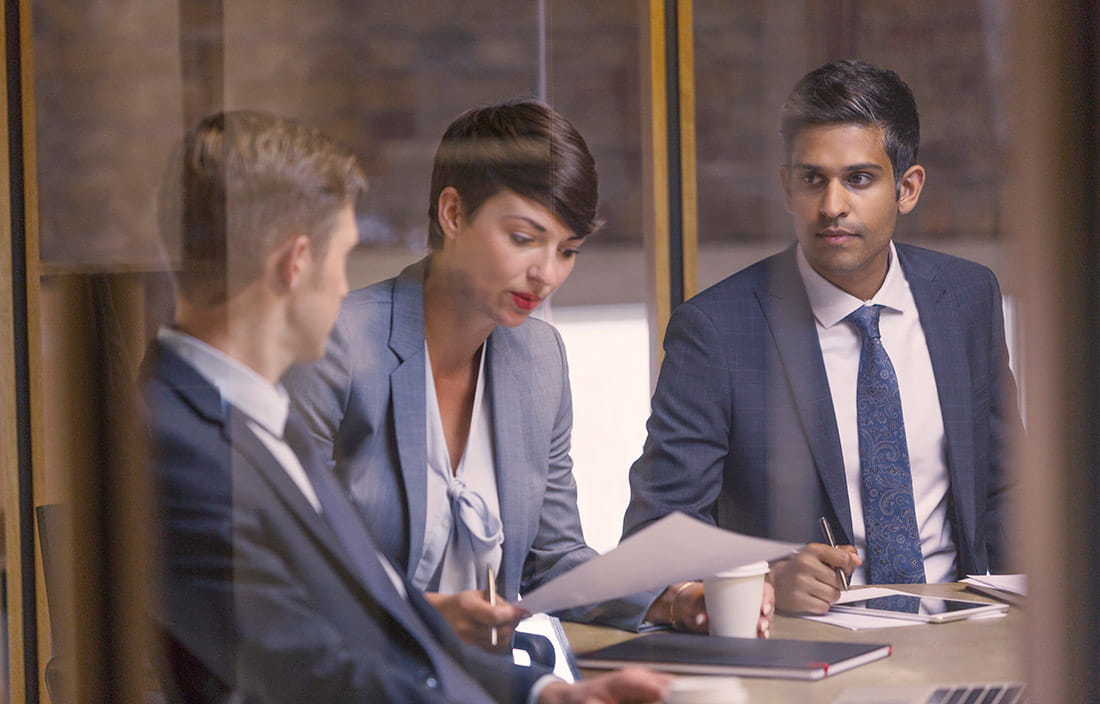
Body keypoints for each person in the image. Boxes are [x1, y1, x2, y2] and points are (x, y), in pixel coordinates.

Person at [143, 109, 670, 703]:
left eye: (567, 249)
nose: (345, 288)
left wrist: (542, 692)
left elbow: (367, 621)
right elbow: (316, 666)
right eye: (341, 259)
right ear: (295, 264)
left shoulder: (253, 417)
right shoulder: (181, 441)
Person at [283, 99, 773, 643]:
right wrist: (422, 618)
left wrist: (673, 598)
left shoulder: (539, 358)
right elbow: (289, 573)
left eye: (568, 251)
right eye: (523, 239)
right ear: (453, 214)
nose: (545, 274)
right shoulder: (335, 345)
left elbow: (554, 559)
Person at [622, 59, 1022, 615]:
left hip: (967, 625)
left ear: (907, 188)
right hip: (812, 642)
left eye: (858, 179)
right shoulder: (717, 329)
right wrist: (762, 580)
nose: (832, 206)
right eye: (814, 179)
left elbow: (1007, 491)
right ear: (787, 188)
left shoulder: (968, 298)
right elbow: (655, 536)